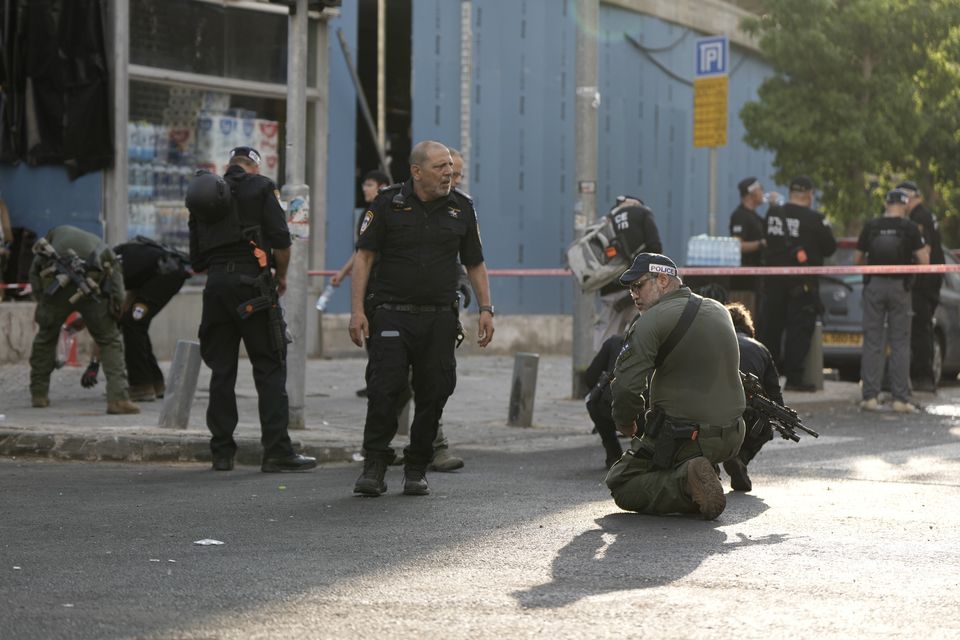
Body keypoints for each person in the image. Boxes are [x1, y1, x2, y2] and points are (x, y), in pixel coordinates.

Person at [349, 140, 494, 497]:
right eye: (440, 167)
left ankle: (416, 467)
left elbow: (475, 263)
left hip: (439, 318)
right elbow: (364, 257)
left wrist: (486, 310)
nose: (449, 173)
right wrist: (356, 311)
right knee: (385, 389)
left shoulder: (463, 208)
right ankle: (375, 465)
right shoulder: (387, 203)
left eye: (450, 166)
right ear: (417, 171)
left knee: (435, 391)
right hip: (391, 314)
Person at [187, 145, 316, 473]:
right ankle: (276, 451)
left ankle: (221, 452)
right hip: (253, 288)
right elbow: (282, 240)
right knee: (270, 367)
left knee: (222, 370)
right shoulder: (261, 187)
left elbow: (197, 259)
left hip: (215, 289)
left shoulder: (203, 193)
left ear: (229, 166)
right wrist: (281, 276)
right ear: (254, 166)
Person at [604, 253, 745, 520]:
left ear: (663, 280)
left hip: (686, 438)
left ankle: (686, 481)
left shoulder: (650, 321)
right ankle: (699, 473)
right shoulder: (719, 309)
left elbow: (625, 387)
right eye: (630, 288)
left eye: (639, 285)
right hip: (734, 435)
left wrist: (625, 422)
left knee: (622, 484)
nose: (633, 294)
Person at [28, 225, 139, 415]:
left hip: (58, 289)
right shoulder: (98, 244)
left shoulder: (52, 242)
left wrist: (42, 299)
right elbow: (116, 276)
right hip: (93, 286)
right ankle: (118, 399)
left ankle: (39, 395)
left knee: (46, 337)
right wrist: (117, 307)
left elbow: (34, 270)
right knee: (110, 340)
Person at [760, 176, 837, 391]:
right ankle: (795, 379)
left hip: (773, 280)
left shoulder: (773, 214)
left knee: (771, 330)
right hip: (802, 283)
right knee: (799, 330)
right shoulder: (815, 219)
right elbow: (830, 247)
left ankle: (766, 380)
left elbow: (766, 240)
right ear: (809, 194)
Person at [856, 188, 928, 413]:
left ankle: (870, 397)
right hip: (900, 288)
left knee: (872, 342)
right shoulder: (910, 227)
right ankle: (900, 399)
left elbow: (857, 259)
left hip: (874, 286)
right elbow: (924, 261)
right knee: (900, 343)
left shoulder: (872, 225)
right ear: (905, 205)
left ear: (886, 204)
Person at [723, 302, 782, 492]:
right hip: (748, 417)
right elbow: (775, 395)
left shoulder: (713, 344)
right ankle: (741, 458)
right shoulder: (761, 349)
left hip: (710, 411)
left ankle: (710, 468)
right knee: (766, 427)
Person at [594, 195, 662, 352]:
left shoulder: (608, 219)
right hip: (637, 287)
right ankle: (633, 374)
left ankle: (604, 373)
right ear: (638, 203)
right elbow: (655, 247)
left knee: (607, 340)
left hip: (609, 288)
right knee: (639, 338)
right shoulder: (643, 213)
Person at [898, 180, 945, 392]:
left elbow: (923, 251)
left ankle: (923, 378)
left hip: (923, 281)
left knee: (920, 328)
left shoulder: (919, 217)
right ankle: (921, 376)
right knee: (921, 327)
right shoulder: (925, 214)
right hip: (930, 279)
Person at [729, 176, 778, 314]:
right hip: (745, 279)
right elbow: (737, 245)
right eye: (760, 189)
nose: (763, 192)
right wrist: (760, 244)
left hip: (758, 276)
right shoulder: (740, 215)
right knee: (746, 314)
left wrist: (773, 208)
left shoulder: (755, 217)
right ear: (751, 193)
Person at [584, 334, 626, 469]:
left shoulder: (615, 343)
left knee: (593, 402)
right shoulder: (663, 343)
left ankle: (613, 453)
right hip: (651, 413)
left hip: (612, 408)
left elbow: (590, 378)